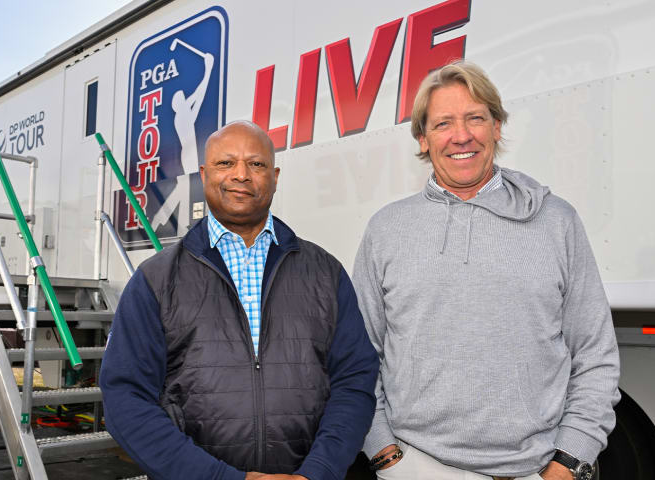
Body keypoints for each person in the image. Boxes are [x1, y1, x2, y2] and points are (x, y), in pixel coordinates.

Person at [353, 61, 620, 480]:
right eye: (443, 123)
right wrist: (385, 454)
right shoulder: (386, 230)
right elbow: (360, 354)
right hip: (416, 466)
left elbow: (595, 356)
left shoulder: (556, 221)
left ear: (496, 126)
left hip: (534, 470)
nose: (461, 136)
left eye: (475, 118)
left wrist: (569, 462)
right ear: (423, 138)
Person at [100, 120, 379, 480]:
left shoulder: (325, 273)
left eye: (257, 164)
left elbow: (354, 382)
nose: (241, 175)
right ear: (203, 174)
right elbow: (126, 398)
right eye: (225, 163)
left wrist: (319, 472)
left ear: (275, 176)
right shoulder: (155, 280)